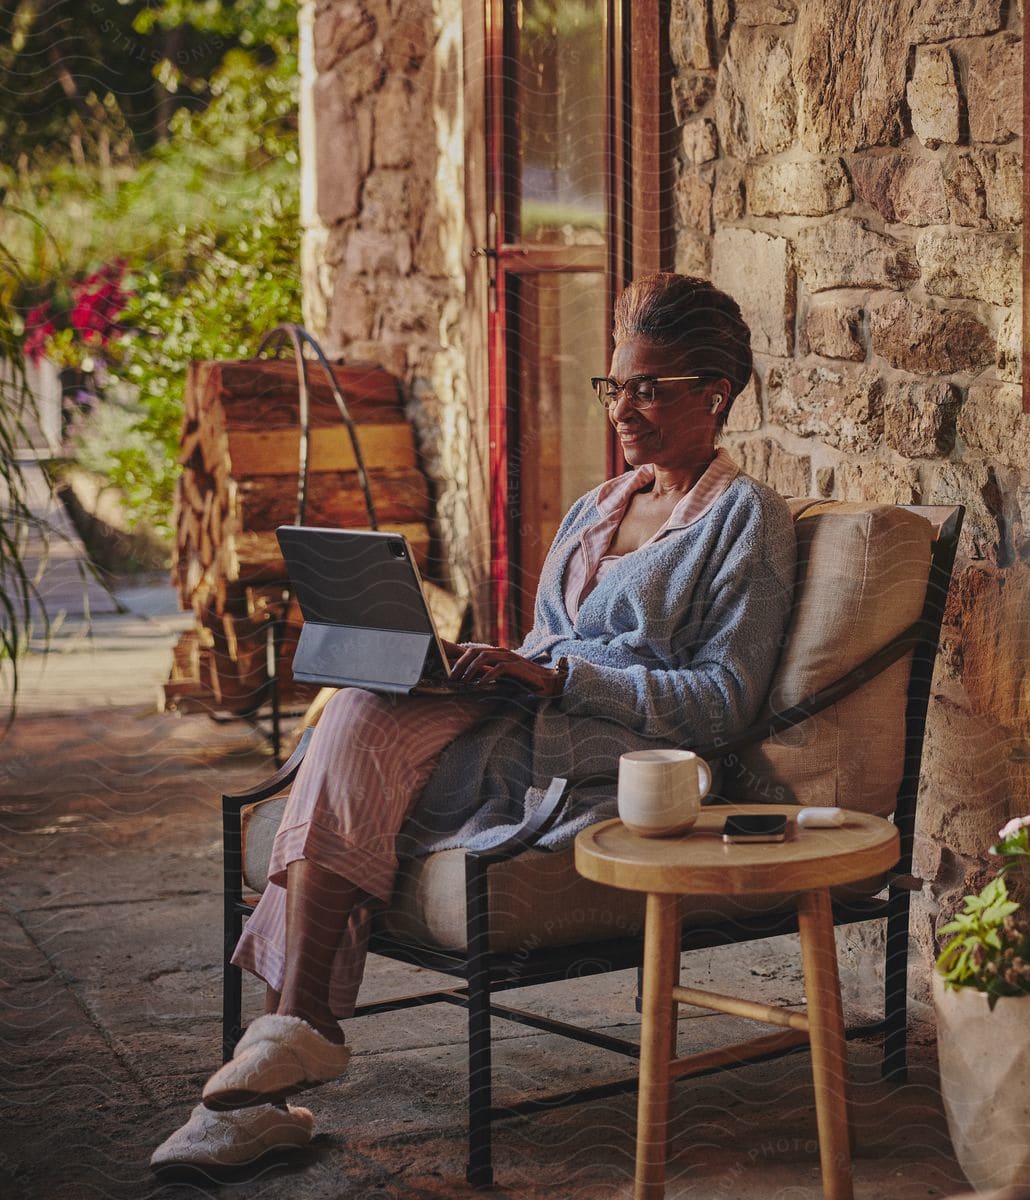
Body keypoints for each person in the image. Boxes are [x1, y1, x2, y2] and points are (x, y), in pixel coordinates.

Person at [152, 273, 796, 1173]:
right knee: (367, 701)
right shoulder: (594, 509)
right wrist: (489, 665)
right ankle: (291, 1037)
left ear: (714, 395)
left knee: (348, 782)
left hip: (612, 755)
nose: (624, 410)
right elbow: (546, 640)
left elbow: (724, 699)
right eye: (615, 387)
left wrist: (555, 675)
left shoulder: (746, 520)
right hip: (523, 716)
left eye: (650, 389)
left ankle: (277, 1063)